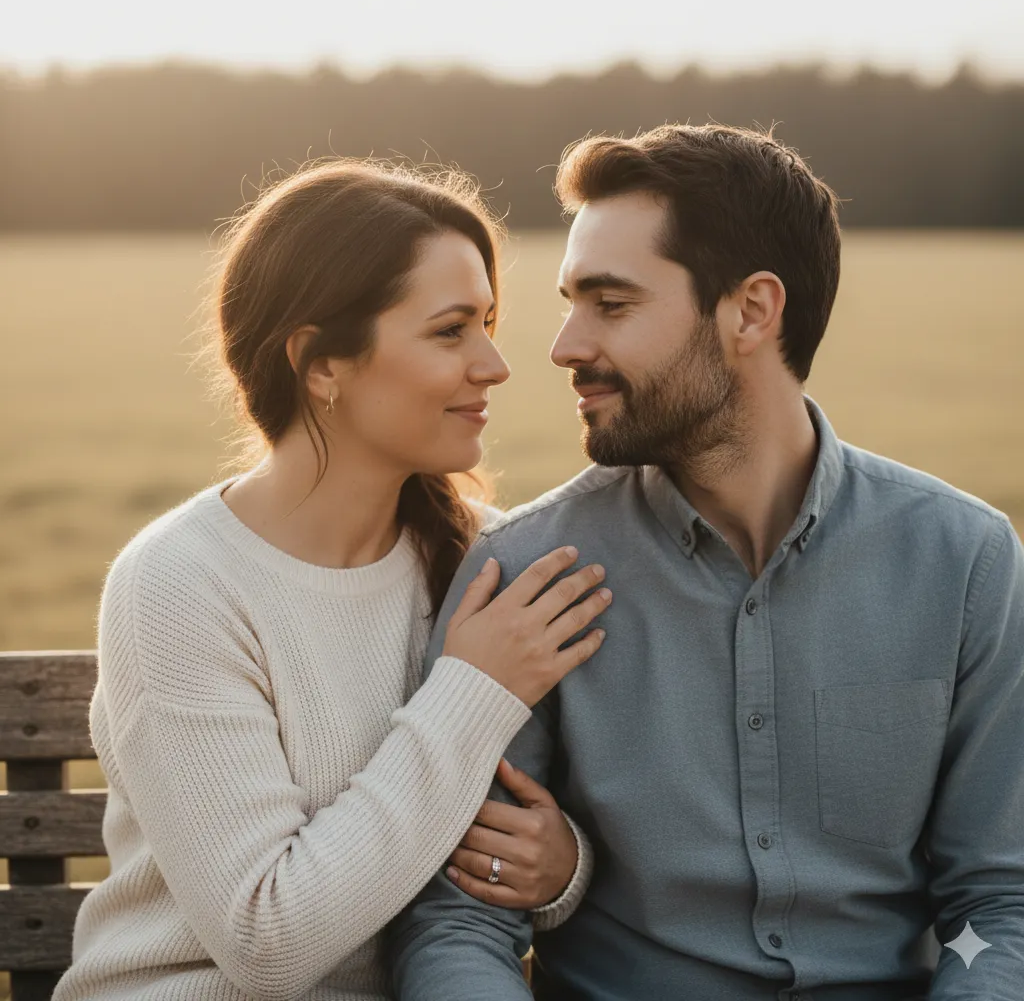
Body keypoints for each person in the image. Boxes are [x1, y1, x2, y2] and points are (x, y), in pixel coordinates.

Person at [390, 124, 1024, 1000]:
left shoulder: (964, 561)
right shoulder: (527, 570)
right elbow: (458, 920)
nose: (564, 346)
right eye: (572, 302)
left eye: (610, 305)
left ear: (752, 312)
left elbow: (1002, 899)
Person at [53, 159, 612, 1000]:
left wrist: (562, 867)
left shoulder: (489, 567)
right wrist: (472, 686)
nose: (495, 364)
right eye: (451, 330)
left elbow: (530, 832)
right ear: (321, 364)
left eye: (489, 323)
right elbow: (266, 942)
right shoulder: (179, 587)